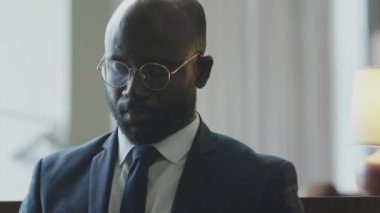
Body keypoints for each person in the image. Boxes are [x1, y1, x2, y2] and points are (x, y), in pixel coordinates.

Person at [20, 0, 304, 212]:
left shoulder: (258, 183)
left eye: (155, 72)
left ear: (201, 71)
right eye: (118, 68)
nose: (132, 89)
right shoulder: (53, 181)